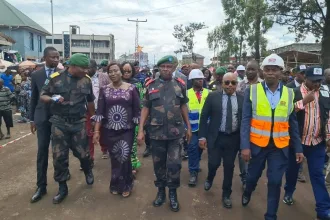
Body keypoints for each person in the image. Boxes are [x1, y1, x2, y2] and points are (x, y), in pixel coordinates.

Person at [240, 54, 304, 220]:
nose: (270, 73)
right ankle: (248, 191)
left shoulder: (290, 94)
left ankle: (271, 216)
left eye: (274, 70)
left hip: (279, 147)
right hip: (257, 146)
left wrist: (298, 148)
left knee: (275, 182)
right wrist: (245, 146)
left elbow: (293, 123)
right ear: (263, 71)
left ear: (281, 72)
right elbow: (245, 120)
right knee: (252, 177)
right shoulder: (252, 91)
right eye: (267, 69)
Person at [137, 55, 192, 212]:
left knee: (174, 165)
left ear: (174, 68)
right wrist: (141, 129)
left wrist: (189, 127)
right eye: (163, 67)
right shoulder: (150, 85)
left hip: (176, 133)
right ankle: (161, 192)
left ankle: (173, 193)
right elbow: (145, 108)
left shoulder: (180, 85)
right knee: (158, 165)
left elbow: (183, 107)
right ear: (159, 68)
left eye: (169, 67)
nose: (166, 69)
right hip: (156, 133)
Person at [40, 53, 95, 204]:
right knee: (59, 157)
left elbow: (90, 102)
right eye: (83, 68)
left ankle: (88, 169)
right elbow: (42, 95)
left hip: (78, 123)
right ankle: (62, 187)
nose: (86, 70)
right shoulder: (55, 78)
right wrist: (52, 99)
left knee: (83, 154)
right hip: (59, 123)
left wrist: (94, 119)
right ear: (72, 66)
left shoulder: (86, 80)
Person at [283, 66, 330, 220]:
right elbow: (285, 113)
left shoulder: (325, 92)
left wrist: (328, 136)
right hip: (298, 144)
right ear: (305, 78)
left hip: (317, 142)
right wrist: (303, 102)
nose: (317, 84)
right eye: (313, 81)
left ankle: (323, 211)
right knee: (292, 171)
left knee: (317, 175)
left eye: (319, 81)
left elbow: (327, 115)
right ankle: (289, 192)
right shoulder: (293, 93)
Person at [93, 62, 140, 198]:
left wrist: (140, 130)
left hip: (127, 129)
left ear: (121, 72)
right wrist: (97, 131)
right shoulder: (104, 90)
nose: (113, 74)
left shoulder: (131, 89)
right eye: (110, 72)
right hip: (110, 130)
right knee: (114, 157)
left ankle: (126, 184)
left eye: (115, 71)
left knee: (124, 156)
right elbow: (100, 112)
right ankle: (114, 184)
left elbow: (137, 111)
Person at [199, 72, 243, 209]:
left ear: (237, 84)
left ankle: (226, 194)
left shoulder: (242, 99)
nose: (230, 85)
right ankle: (210, 178)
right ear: (222, 83)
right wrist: (202, 136)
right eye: (227, 82)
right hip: (216, 137)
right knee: (213, 163)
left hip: (233, 139)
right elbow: (204, 117)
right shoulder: (213, 97)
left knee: (229, 167)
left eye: (233, 83)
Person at [30, 47, 67, 203]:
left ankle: (62, 187)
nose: (56, 60)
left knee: (60, 152)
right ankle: (41, 186)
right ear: (45, 57)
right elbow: (34, 98)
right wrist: (32, 119)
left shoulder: (63, 74)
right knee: (42, 152)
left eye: (58, 57)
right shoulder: (36, 75)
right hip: (42, 118)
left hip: (58, 117)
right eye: (53, 57)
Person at [236, 60, 263, 189]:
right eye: (248, 69)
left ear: (258, 71)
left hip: (260, 125)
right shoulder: (240, 85)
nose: (250, 71)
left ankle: (252, 176)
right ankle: (244, 176)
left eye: (253, 69)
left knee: (257, 154)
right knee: (243, 151)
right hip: (243, 123)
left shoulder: (264, 86)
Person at [186, 69, 210, 187]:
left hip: (205, 127)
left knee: (200, 148)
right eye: (197, 79)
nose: (200, 81)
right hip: (192, 127)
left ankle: (196, 164)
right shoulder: (186, 94)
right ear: (192, 80)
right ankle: (193, 172)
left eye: (201, 79)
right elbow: (184, 111)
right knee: (192, 149)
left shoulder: (209, 93)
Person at [285, 65, 307, 183]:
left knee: (299, 149)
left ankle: (299, 171)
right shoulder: (288, 88)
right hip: (291, 125)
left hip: (305, 126)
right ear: (296, 74)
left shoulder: (309, 89)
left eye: (305, 73)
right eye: (301, 73)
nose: (303, 75)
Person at [121, 61, 143, 175]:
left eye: (129, 71)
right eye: (124, 71)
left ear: (132, 71)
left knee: (132, 144)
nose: (126, 73)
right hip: (118, 119)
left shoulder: (137, 84)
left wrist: (140, 122)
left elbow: (141, 103)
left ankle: (133, 165)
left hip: (133, 119)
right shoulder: (116, 84)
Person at [87, 59, 110, 162]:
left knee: (103, 131)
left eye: (89, 68)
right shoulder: (83, 78)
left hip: (102, 109)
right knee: (89, 133)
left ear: (95, 68)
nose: (86, 70)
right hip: (88, 109)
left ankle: (105, 149)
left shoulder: (104, 77)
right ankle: (90, 156)